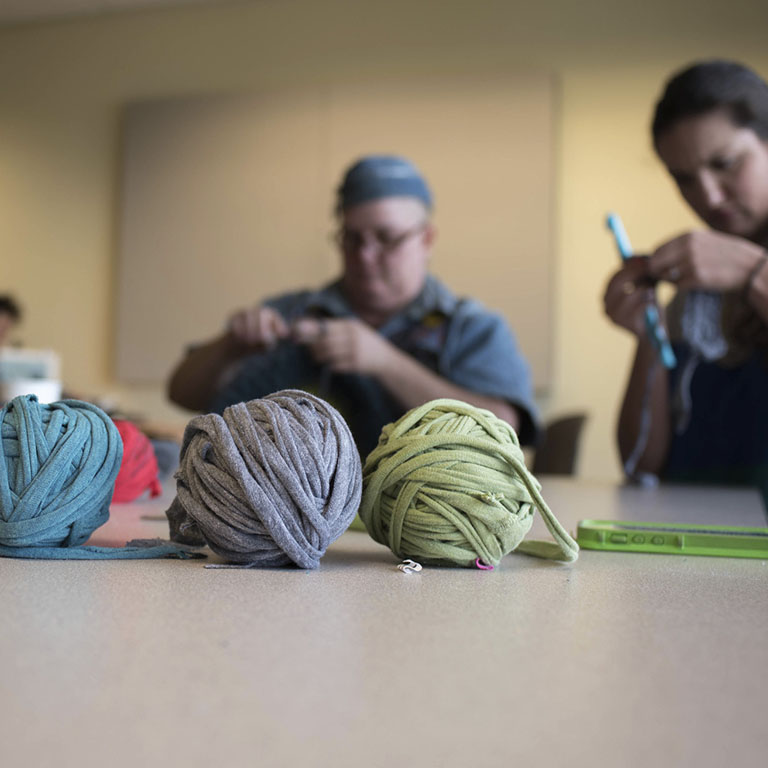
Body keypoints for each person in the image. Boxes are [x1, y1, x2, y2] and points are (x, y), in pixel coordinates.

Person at [168, 154, 538, 457]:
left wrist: (384, 362)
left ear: (427, 239)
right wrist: (229, 348)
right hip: (287, 518)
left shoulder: (471, 327)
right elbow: (182, 393)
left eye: (386, 237)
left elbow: (504, 430)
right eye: (351, 238)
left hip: (415, 528)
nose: (365, 255)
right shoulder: (291, 312)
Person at [603, 60, 768, 484]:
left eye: (726, 163)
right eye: (684, 179)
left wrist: (753, 273)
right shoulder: (696, 296)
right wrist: (648, 334)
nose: (708, 196)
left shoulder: (734, 268)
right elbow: (641, 465)